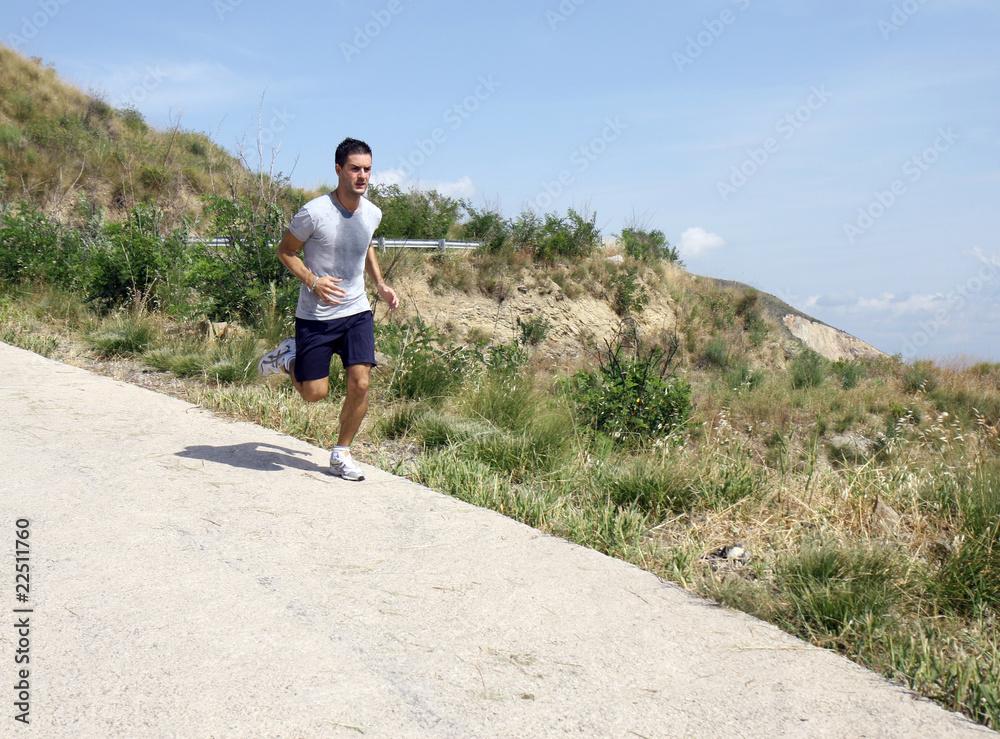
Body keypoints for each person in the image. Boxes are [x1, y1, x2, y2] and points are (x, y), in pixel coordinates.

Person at [257, 137, 399, 481]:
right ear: (339, 170)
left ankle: (341, 452)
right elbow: (286, 251)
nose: (362, 176)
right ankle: (288, 358)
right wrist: (312, 280)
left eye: (367, 169)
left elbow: (365, 245)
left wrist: (380, 284)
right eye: (354, 169)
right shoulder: (314, 212)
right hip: (317, 316)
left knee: (361, 383)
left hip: (356, 311)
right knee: (314, 393)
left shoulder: (373, 213)